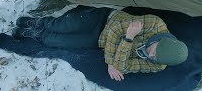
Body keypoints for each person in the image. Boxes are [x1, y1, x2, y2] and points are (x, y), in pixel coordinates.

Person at [12, 5, 188, 81]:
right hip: (104, 19)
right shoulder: (155, 24)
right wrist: (114, 59)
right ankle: (37, 23)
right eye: (154, 49)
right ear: (160, 40)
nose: (150, 54)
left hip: (98, 41)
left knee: (55, 41)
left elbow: (124, 66)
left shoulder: (158, 65)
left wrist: (127, 40)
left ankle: (33, 34)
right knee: (61, 25)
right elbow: (115, 30)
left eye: (154, 57)